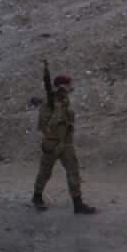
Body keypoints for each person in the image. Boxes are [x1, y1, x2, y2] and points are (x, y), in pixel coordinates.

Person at [32, 61, 97, 215]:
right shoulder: (49, 104)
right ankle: (37, 197)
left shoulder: (64, 100)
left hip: (65, 143)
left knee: (73, 172)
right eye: (67, 85)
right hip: (52, 144)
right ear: (61, 86)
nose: (70, 88)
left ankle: (78, 204)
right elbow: (44, 127)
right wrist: (56, 114)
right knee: (45, 172)